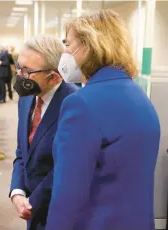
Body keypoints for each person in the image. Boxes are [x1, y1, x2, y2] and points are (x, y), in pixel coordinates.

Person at [45, 9, 160, 230]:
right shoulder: (139, 98)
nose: (65, 51)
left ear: (88, 46)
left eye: (68, 44)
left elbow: (68, 194)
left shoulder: (82, 104)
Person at [9, 35, 78, 230]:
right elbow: (23, 152)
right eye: (19, 67)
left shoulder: (74, 104)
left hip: (58, 210)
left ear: (54, 76)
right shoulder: (26, 98)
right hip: (31, 207)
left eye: (27, 71)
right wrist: (17, 191)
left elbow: (67, 166)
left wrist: (35, 202)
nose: (20, 76)